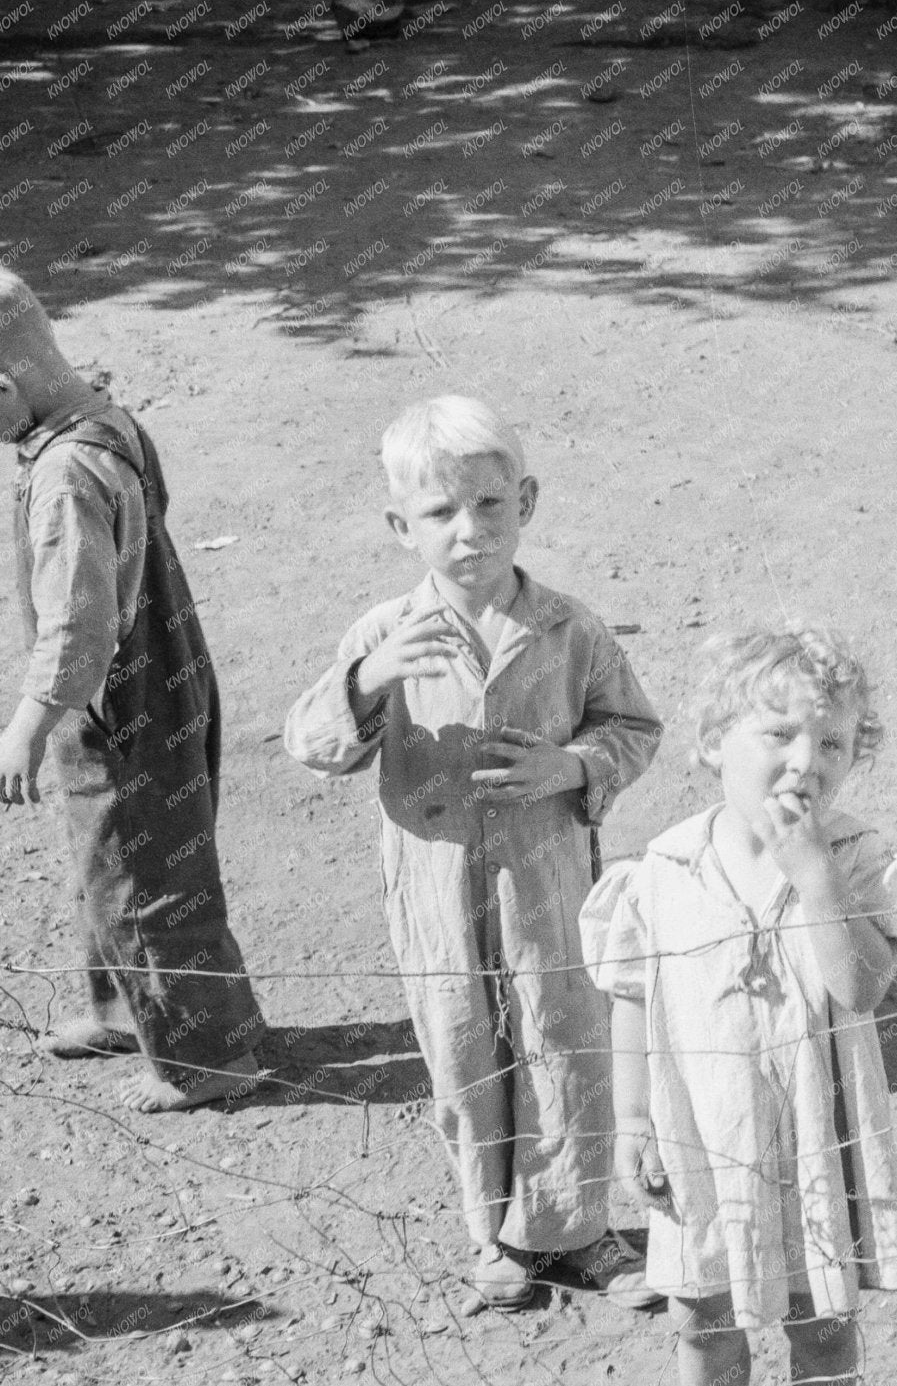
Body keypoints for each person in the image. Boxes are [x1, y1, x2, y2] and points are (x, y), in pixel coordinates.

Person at [283, 397, 663, 1312]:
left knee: (562, 1037)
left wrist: (571, 764)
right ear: (399, 526)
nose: (470, 532)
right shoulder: (383, 635)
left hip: (548, 878)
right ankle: (492, 1234)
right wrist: (368, 685)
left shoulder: (570, 627)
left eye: (491, 505)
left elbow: (636, 725)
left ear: (526, 501)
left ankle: (574, 1229)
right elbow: (309, 742)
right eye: (441, 513)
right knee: (462, 1045)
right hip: (435, 887)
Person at [0, 261, 265, 1112]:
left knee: (152, 880)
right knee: (108, 863)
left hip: (125, 702)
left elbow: (78, 629)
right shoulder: (104, 418)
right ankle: (124, 1010)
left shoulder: (64, 477)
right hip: (160, 675)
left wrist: (25, 725)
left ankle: (210, 1057)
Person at [581, 628, 897, 1386]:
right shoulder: (666, 866)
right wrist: (634, 1117)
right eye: (779, 734)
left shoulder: (852, 855)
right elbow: (631, 994)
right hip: (704, 1124)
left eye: (835, 743)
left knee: (821, 1305)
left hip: (818, 1124)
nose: (806, 761)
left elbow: (859, 988)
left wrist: (812, 876)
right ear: (713, 743)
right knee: (701, 1302)